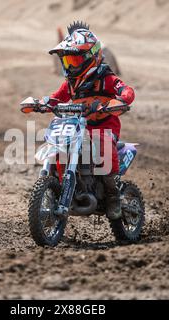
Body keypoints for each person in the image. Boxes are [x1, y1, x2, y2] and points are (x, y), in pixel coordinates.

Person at [44, 21, 135, 220]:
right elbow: (56, 97)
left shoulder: (106, 78)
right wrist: (41, 103)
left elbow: (126, 90)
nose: (70, 65)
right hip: (78, 128)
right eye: (67, 61)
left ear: (91, 57)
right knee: (59, 146)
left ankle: (113, 198)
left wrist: (119, 100)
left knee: (102, 144)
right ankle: (57, 187)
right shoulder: (71, 83)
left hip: (105, 127)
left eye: (74, 61)